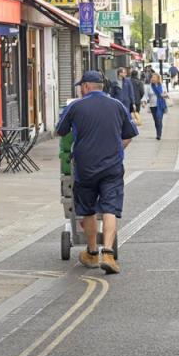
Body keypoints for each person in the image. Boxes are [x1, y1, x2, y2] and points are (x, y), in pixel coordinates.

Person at [56, 70, 138, 275]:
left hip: (85, 168)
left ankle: (92, 253)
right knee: (111, 208)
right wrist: (116, 149)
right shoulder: (117, 105)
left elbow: (60, 131)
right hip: (112, 167)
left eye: (80, 87)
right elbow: (129, 134)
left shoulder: (75, 106)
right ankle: (108, 253)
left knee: (88, 210)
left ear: (85, 87)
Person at [147, 73, 168, 140]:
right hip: (153, 106)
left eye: (154, 77)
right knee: (156, 120)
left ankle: (159, 134)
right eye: (152, 77)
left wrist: (164, 95)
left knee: (159, 119)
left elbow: (166, 94)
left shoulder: (162, 85)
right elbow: (146, 95)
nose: (153, 78)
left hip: (161, 105)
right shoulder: (149, 86)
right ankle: (158, 132)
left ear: (158, 79)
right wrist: (144, 102)